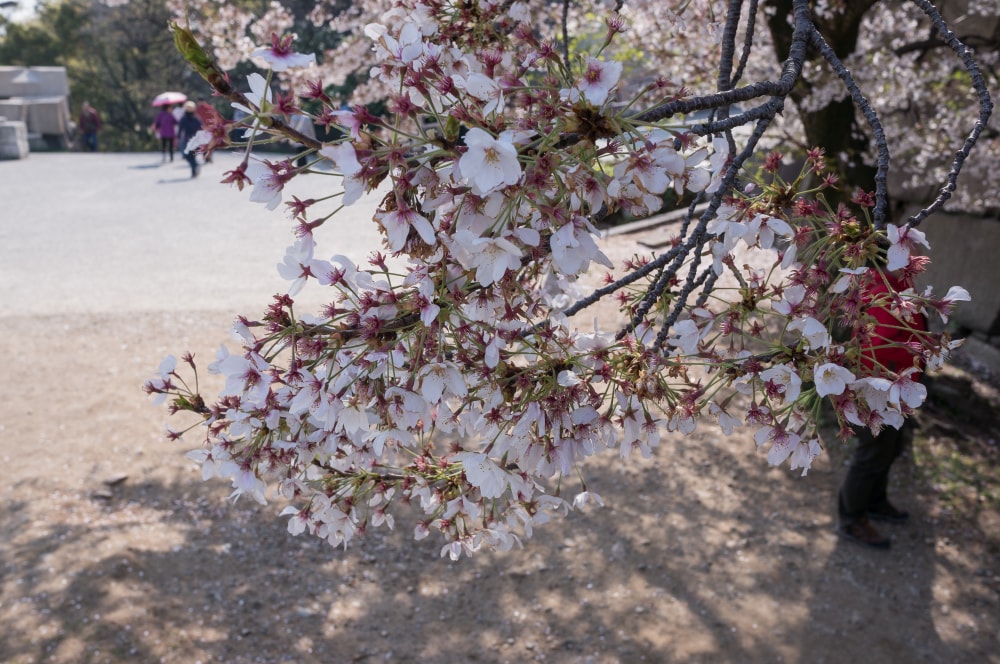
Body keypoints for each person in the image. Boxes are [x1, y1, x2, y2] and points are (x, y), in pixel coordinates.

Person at [837, 268, 927, 549]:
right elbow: (877, 345)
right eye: (907, 254)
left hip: (898, 391)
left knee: (891, 447)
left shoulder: (899, 287)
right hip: (878, 392)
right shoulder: (881, 290)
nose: (913, 261)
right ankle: (851, 518)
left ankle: (875, 502)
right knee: (872, 454)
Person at [177, 100, 203, 178]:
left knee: (188, 156)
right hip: (196, 139)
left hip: (188, 140)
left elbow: (180, 129)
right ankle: (194, 171)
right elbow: (201, 128)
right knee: (192, 156)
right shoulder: (196, 119)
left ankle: (195, 167)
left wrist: (178, 137)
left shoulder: (183, 119)